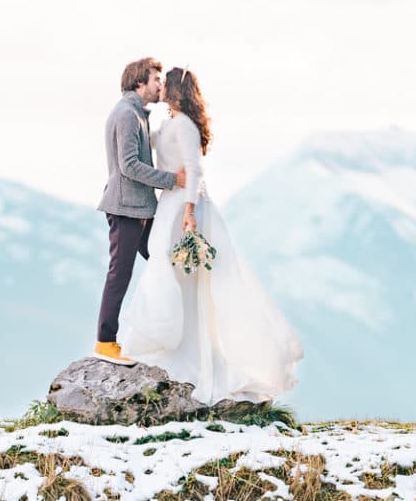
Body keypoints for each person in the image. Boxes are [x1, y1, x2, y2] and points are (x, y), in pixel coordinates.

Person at [120, 66, 303, 405]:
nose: (158, 87)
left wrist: (189, 211)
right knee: (167, 271)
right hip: (169, 204)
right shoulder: (169, 122)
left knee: (191, 281)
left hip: (184, 207)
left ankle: (193, 354)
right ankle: (166, 340)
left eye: (163, 83)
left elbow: (195, 168)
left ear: (174, 89)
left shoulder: (186, 125)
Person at [95, 58, 186, 365]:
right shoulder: (126, 114)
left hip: (141, 209)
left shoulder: (137, 114)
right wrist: (172, 181)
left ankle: (171, 331)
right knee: (119, 275)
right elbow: (129, 166)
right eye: (156, 79)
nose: (161, 85)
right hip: (125, 210)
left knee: (166, 262)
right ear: (139, 82)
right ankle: (106, 343)